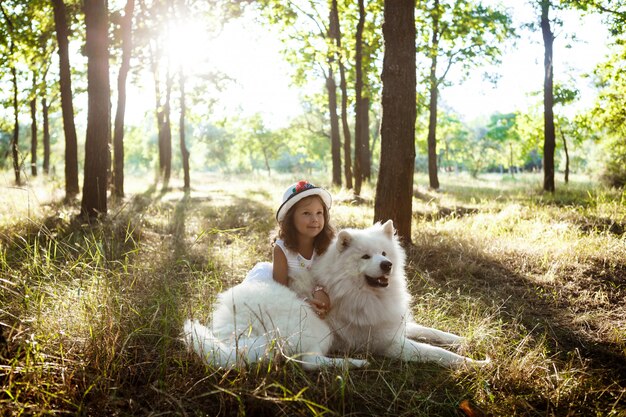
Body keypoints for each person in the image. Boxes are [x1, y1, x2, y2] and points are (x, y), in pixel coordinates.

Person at [243, 180, 334, 318]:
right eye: (306, 213)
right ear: (290, 218)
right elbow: (281, 290)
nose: (315, 219)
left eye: (319, 212)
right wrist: (304, 302)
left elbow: (330, 275)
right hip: (292, 297)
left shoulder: (327, 244)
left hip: (319, 295)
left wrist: (320, 290)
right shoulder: (282, 250)